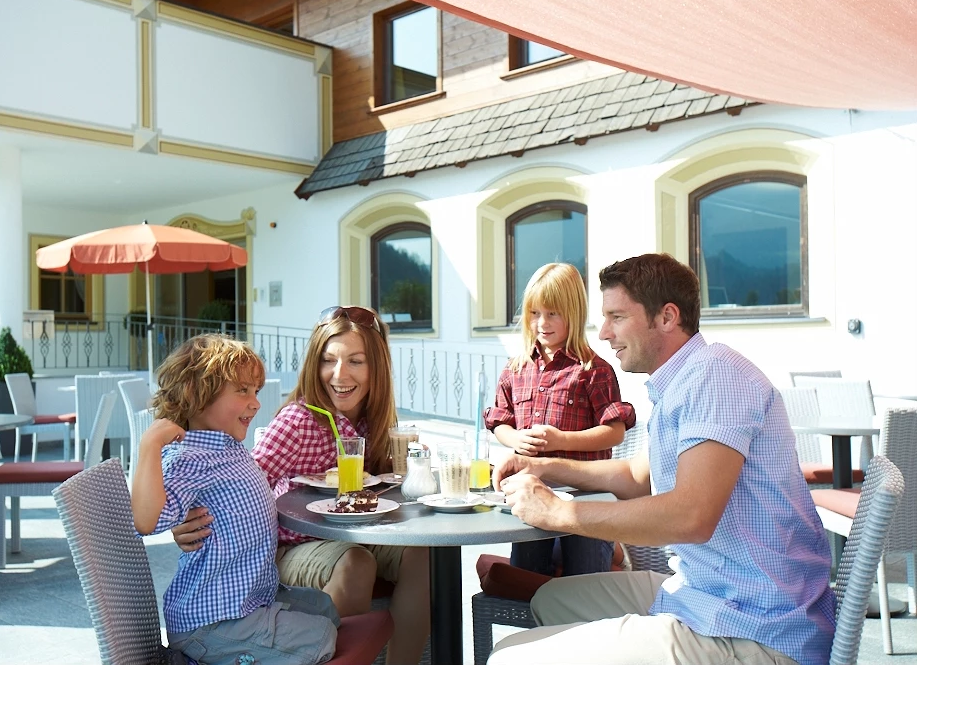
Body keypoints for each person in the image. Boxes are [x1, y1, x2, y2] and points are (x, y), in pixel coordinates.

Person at [488, 253, 836, 665]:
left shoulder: (716, 377)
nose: (603, 333)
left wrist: (558, 513)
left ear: (667, 317)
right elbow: (638, 476)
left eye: (616, 317)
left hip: (756, 627)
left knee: (510, 656)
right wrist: (547, 467)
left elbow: (690, 516)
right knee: (551, 599)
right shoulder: (683, 381)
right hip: (708, 593)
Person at [170, 306, 431, 665]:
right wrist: (187, 522)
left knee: (421, 555)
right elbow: (241, 482)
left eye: (356, 361)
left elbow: (388, 488)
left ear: (377, 369)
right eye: (329, 360)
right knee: (356, 564)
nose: (340, 374)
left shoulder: (376, 419)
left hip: (354, 534)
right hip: (292, 547)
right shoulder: (299, 420)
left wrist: (417, 465)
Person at [132, 333, 341, 665]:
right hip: (212, 620)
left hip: (251, 599)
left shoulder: (228, 447)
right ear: (195, 392)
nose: (256, 402)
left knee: (326, 609)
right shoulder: (189, 456)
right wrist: (148, 448)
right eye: (242, 390)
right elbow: (146, 522)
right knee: (321, 637)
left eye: (255, 391)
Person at [483, 262, 635, 577]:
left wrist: (561, 440)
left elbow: (614, 431)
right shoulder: (516, 368)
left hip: (586, 498)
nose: (542, 323)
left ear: (574, 313)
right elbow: (500, 421)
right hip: (531, 491)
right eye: (535, 313)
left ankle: (611, 550)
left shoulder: (594, 370)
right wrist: (514, 439)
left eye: (553, 313)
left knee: (587, 580)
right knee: (527, 574)